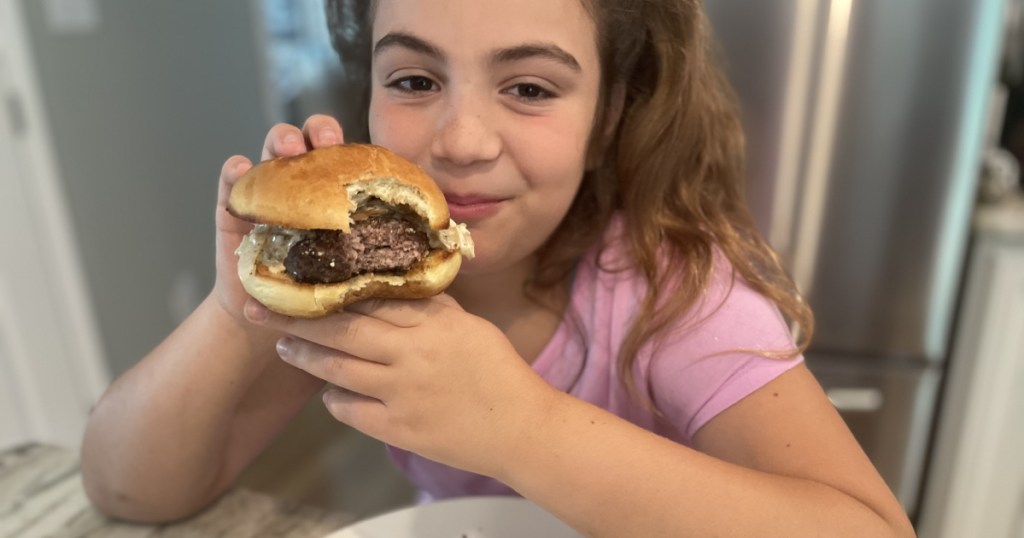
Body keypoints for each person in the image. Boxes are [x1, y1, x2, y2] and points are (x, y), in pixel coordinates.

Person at [81, 0, 916, 535]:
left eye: (529, 89)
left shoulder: (678, 296)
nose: (462, 141)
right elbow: (129, 492)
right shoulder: (354, 289)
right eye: (412, 78)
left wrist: (522, 426)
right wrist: (239, 311)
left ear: (608, 117)